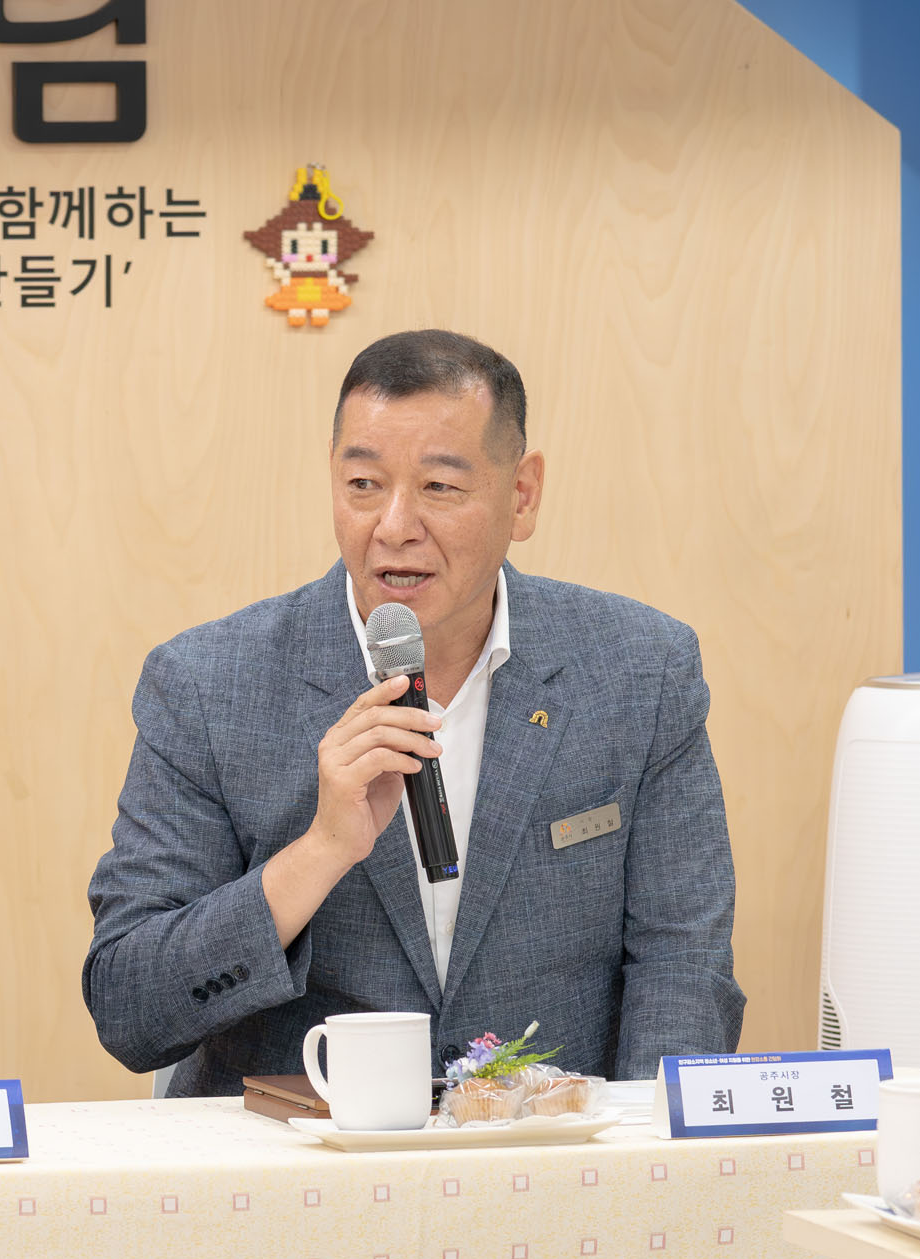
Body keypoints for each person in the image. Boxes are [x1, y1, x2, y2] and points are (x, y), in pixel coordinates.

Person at [85, 330, 744, 1094]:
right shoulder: (208, 686)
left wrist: (640, 1145)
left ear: (522, 494)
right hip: (297, 1155)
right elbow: (128, 1007)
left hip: (548, 1146)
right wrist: (319, 852)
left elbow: (682, 966)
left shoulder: (639, 671)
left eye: (438, 487)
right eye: (364, 483)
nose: (394, 525)